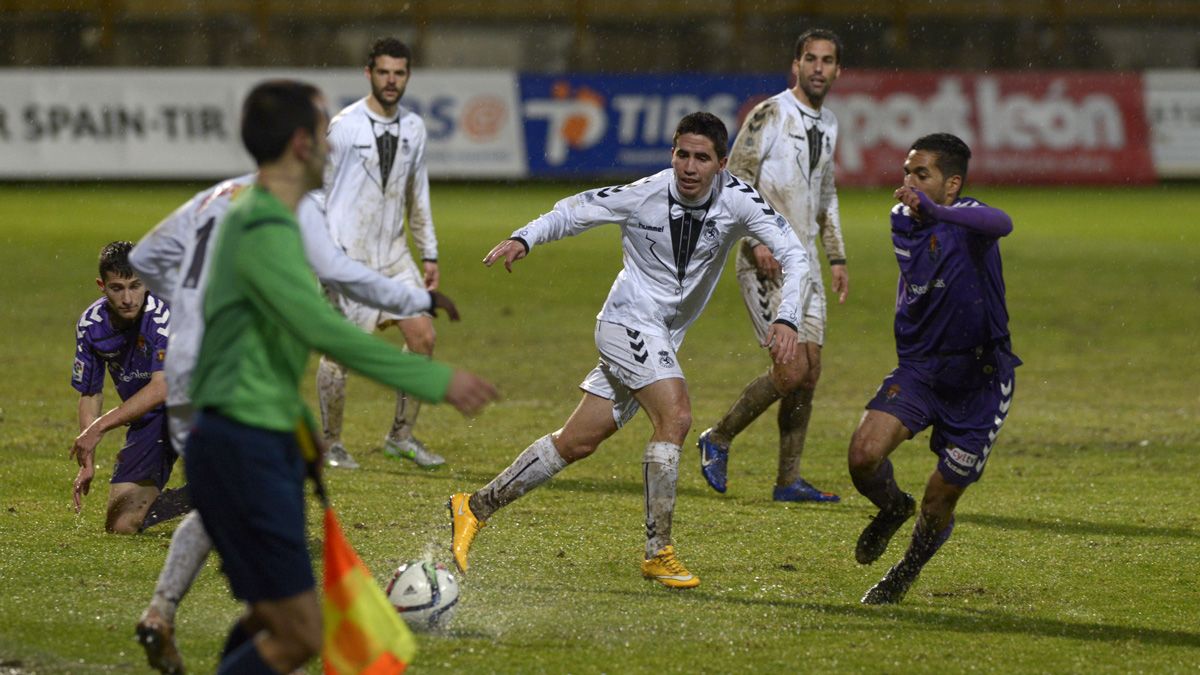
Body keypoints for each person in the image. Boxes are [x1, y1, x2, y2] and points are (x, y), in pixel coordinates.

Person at [184, 80, 496, 674]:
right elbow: (323, 331)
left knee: (269, 619)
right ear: (302, 143)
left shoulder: (277, 213)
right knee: (300, 633)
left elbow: (327, 284)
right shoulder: (262, 226)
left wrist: (412, 299)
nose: (334, 145)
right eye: (325, 132)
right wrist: (436, 381)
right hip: (239, 445)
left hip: (257, 439)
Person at [448, 112, 813, 589]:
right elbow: (574, 211)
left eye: (701, 158)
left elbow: (795, 254)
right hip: (627, 322)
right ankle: (657, 550)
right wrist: (525, 237)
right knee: (676, 417)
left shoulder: (739, 201)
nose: (688, 166)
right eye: (682, 153)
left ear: (722, 164)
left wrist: (786, 317)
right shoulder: (645, 193)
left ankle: (474, 506)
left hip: (660, 334)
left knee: (576, 442)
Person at [128, 174, 460, 673]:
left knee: (223, 511)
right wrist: (410, 306)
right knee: (298, 623)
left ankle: (163, 611)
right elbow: (336, 282)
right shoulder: (300, 206)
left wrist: (197, 303)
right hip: (237, 390)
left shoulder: (217, 195)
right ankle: (182, 616)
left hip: (189, 373)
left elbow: (147, 261)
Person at [848, 133, 1019, 604]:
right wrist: (930, 209)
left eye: (921, 174)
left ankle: (904, 572)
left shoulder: (971, 218)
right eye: (906, 172)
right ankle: (891, 508)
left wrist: (942, 212)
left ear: (952, 185)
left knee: (940, 498)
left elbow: (1002, 222)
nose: (908, 183)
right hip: (922, 369)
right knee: (863, 456)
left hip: (980, 381)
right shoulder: (902, 218)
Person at [697, 28, 848, 503]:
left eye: (827, 60)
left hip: (806, 266)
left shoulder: (830, 125)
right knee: (789, 372)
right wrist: (754, 241)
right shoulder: (770, 113)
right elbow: (734, 181)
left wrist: (837, 255)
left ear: (838, 71)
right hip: (765, 261)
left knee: (810, 372)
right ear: (796, 66)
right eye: (811, 59)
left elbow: (825, 194)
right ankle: (717, 437)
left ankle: (788, 480)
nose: (819, 68)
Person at [317, 37, 445, 470]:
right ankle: (330, 442)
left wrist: (429, 253)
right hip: (347, 254)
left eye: (400, 73)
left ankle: (400, 436)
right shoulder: (345, 125)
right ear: (368, 73)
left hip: (393, 255)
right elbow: (320, 191)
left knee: (423, 337)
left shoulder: (414, 127)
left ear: (407, 76)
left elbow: (417, 194)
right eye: (384, 72)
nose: (392, 80)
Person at [70, 241, 190, 534]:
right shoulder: (91, 326)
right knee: (122, 525)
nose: (127, 298)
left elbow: (161, 388)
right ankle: (200, 498)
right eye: (117, 287)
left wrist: (99, 428)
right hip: (150, 419)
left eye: (135, 286)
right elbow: (90, 393)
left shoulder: (164, 313)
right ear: (102, 285)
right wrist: (88, 462)